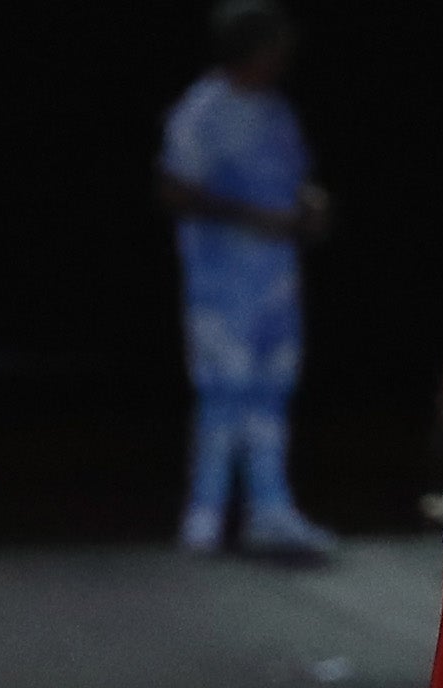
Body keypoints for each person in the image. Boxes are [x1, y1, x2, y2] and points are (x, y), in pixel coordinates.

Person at [157, 3, 336, 557]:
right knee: (223, 393)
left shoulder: (277, 110)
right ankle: (205, 512)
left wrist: (309, 205)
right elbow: (176, 190)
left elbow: (293, 179)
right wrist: (255, 217)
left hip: (276, 283)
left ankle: (270, 509)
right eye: (272, 48)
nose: (280, 60)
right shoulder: (201, 112)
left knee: (272, 394)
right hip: (222, 284)